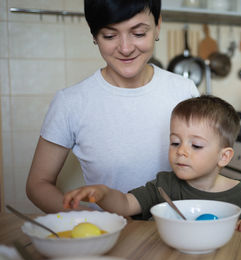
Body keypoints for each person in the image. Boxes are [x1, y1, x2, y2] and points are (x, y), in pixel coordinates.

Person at [26, 0, 199, 213]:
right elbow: (38, 184)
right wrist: (87, 219)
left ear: (158, 26)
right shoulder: (71, 102)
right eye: (109, 36)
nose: (125, 48)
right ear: (94, 35)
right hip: (108, 238)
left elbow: (207, 170)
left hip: (178, 232)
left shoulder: (184, 91)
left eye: (138, 33)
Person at [64, 95, 241, 232]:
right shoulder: (164, 185)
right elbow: (125, 205)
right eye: (175, 142)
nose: (181, 151)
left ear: (223, 157)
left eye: (196, 145)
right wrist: (102, 193)